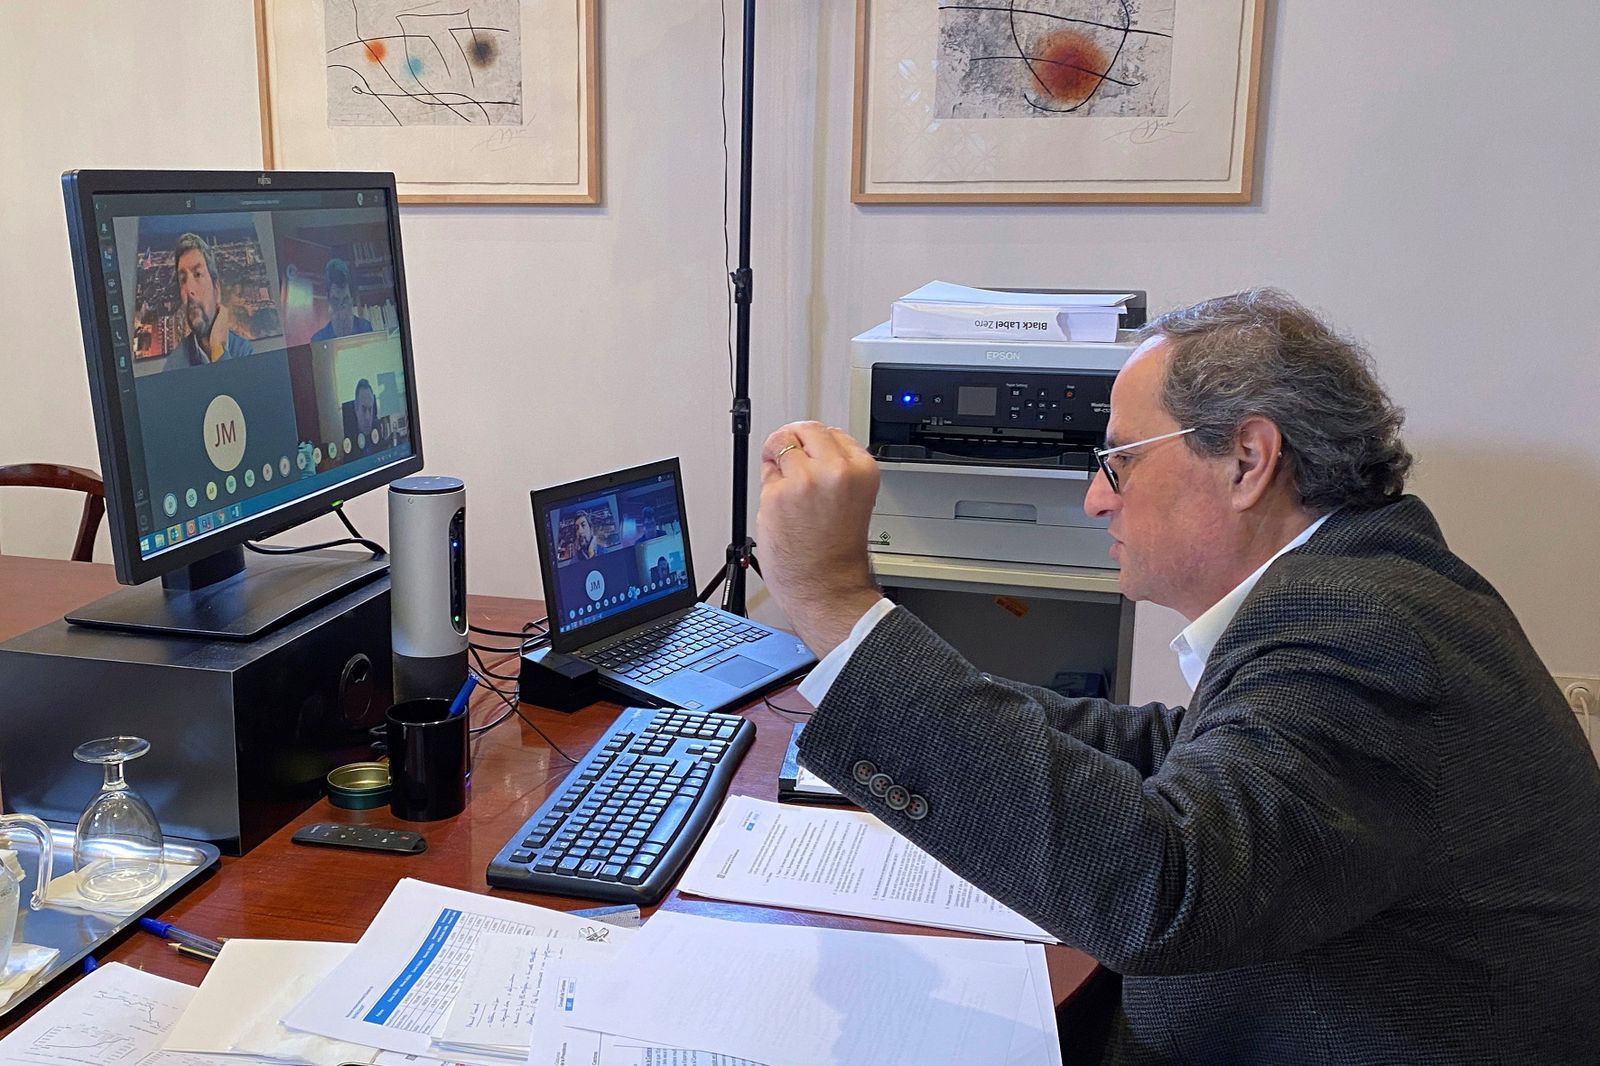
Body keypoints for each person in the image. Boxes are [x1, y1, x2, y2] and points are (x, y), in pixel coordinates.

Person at [755, 289, 1600, 1065]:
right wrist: (876, 681)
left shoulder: (1361, 628)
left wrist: (835, 601)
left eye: (1119, 459)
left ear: (1248, 460)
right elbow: (1180, 745)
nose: (1096, 499)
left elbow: (1161, 890)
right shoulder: (1363, 581)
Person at [166, 233, 252, 370]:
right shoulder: (174, 365)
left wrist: (218, 351)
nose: (189, 289)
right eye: (183, 280)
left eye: (198, 274)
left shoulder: (244, 352)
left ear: (216, 290)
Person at [311, 258, 374, 342]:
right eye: (335, 300)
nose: (341, 307)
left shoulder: (366, 329)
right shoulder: (319, 340)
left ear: (352, 299)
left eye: (345, 300)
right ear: (329, 300)